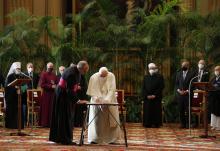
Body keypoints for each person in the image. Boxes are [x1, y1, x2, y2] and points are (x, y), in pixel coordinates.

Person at [49, 61, 89, 145]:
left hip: (64, 94)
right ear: (82, 68)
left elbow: (72, 87)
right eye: (85, 70)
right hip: (63, 95)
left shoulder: (75, 70)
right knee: (65, 117)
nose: (85, 73)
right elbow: (69, 90)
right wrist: (78, 101)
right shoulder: (72, 73)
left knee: (64, 117)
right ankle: (65, 139)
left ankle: (61, 137)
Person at [87, 67, 120, 144]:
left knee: (111, 120)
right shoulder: (93, 77)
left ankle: (111, 139)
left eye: (105, 75)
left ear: (107, 73)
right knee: (97, 121)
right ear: (99, 73)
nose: (103, 77)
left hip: (109, 99)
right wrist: (98, 100)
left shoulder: (111, 76)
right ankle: (95, 138)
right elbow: (92, 92)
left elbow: (112, 90)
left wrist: (106, 101)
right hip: (97, 100)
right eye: (101, 75)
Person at [142, 63, 164, 128]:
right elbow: (143, 88)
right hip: (147, 98)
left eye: (152, 68)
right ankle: (147, 123)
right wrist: (147, 95)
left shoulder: (160, 77)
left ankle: (156, 123)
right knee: (147, 111)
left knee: (156, 111)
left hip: (156, 98)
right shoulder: (145, 77)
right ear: (148, 69)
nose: (151, 70)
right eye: (150, 68)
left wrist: (155, 95)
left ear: (155, 69)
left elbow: (161, 87)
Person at [4, 62, 25, 129]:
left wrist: (21, 89)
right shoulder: (10, 77)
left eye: (19, 68)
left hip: (19, 96)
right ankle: (12, 125)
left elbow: (25, 85)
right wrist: (15, 88)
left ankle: (19, 125)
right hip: (11, 98)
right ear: (14, 69)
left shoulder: (22, 76)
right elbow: (7, 87)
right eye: (17, 68)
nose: (18, 70)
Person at [175, 60, 194, 128]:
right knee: (181, 110)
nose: (183, 67)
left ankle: (188, 124)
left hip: (187, 95)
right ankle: (182, 124)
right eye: (182, 65)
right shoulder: (178, 73)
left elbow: (192, 84)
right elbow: (176, 84)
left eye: (185, 65)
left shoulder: (192, 74)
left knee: (188, 110)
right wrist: (179, 91)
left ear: (188, 66)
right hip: (180, 95)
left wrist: (187, 91)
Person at [39, 62, 58, 127]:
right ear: (47, 67)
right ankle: (44, 123)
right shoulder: (43, 74)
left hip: (53, 95)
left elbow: (57, 83)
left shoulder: (54, 75)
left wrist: (55, 85)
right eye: (49, 67)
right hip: (46, 95)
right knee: (45, 109)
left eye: (51, 67)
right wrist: (50, 86)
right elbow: (42, 85)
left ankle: (51, 123)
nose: (50, 68)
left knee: (51, 109)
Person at [209, 66, 220, 130]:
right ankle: (214, 125)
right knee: (213, 111)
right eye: (215, 70)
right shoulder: (213, 78)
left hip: (219, 97)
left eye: (217, 70)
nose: (216, 71)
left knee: (218, 111)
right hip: (213, 97)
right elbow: (209, 85)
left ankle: (218, 126)